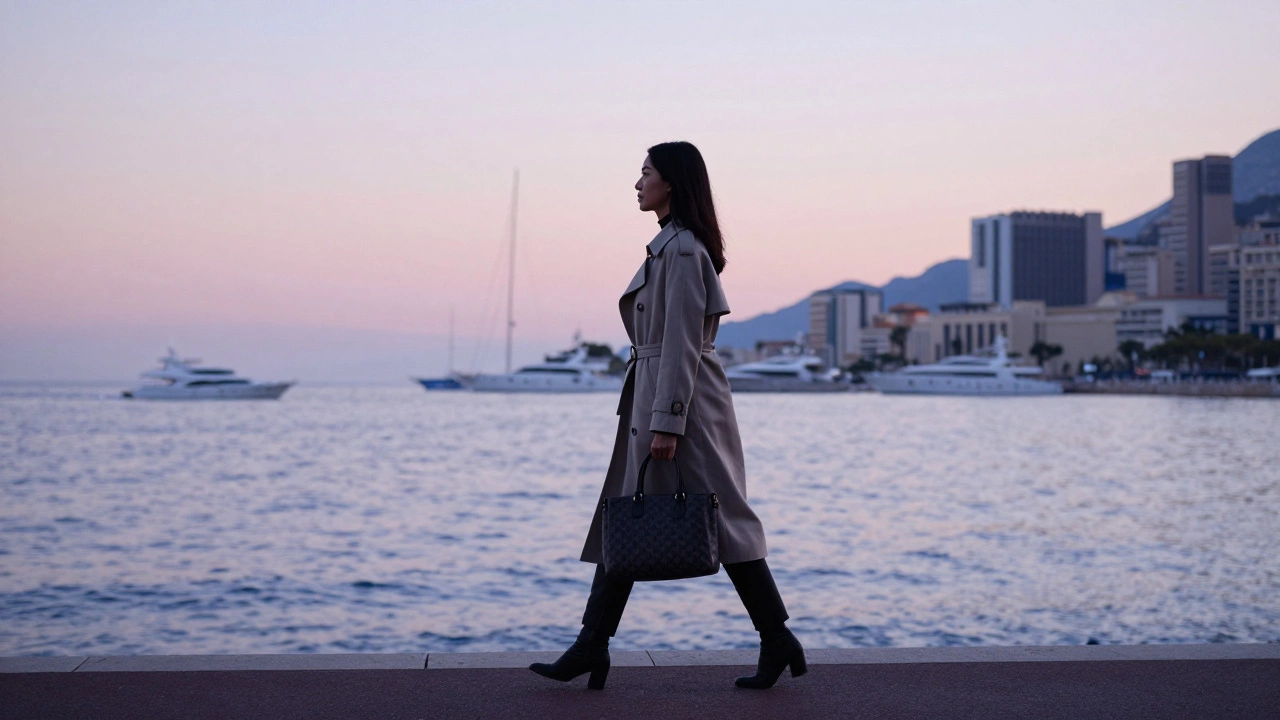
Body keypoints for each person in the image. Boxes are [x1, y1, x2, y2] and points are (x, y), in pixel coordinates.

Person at [529, 141, 805, 690]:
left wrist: (668, 422)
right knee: (632, 511)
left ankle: (772, 639)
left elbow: (680, 342)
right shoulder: (670, 247)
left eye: (645, 173)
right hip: (669, 395)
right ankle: (595, 644)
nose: (636, 183)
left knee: (711, 519)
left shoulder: (679, 251)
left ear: (671, 183)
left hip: (681, 403)